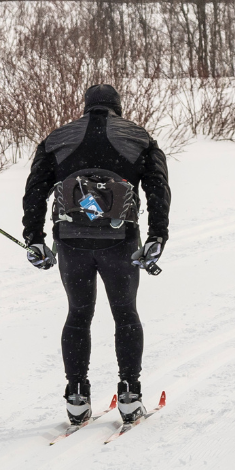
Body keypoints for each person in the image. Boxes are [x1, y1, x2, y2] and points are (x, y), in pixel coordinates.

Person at [21, 84, 169, 426]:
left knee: (78, 314)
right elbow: (158, 187)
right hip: (121, 240)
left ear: (85, 106)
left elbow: (35, 190)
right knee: (125, 314)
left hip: (71, 241)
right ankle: (130, 397)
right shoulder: (139, 138)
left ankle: (76, 398)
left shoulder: (57, 138)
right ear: (117, 106)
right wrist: (158, 235)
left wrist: (33, 237)